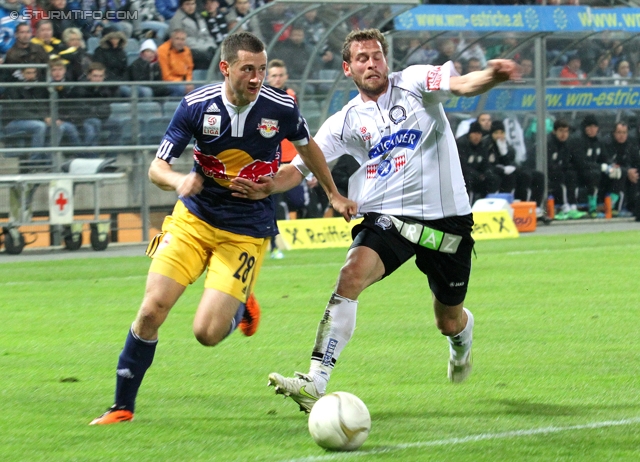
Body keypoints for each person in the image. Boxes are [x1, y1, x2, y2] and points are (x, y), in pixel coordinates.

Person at [234, 28, 520, 413]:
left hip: (446, 220)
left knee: (448, 320)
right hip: (389, 216)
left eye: (377, 56)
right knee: (350, 274)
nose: (372, 64)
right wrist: (266, 186)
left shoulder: (417, 81)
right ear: (348, 68)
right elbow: (299, 168)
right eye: (362, 59)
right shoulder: (345, 120)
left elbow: (463, 84)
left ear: (387, 60)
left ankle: (460, 340)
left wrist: (492, 75)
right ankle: (315, 380)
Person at [89, 31, 355, 425]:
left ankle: (239, 306)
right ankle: (122, 406)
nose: (257, 77)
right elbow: (156, 167)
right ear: (226, 68)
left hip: (245, 230)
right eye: (248, 69)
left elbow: (308, 147)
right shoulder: (197, 106)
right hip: (193, 220)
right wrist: (179, 181)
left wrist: (332, 192)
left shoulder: (280, 107)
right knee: (151, 310)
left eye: (262, 69)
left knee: (207, 333)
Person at [545, 119, 585, 220]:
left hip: (561, 172)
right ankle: (564, 207)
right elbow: (548, 165)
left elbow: (567, 163)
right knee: (561, 177)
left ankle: (572, 206)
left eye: (566, 131)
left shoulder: (567, 145)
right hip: (550, 175)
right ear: (554, 131)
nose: (564, 134)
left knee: (572, 175)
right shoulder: (549, 144)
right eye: (561, 131)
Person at [567, 114, 603, 217]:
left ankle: (612, 207)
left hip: (592, 171)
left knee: (617, 174)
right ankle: (592, 207)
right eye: (589, 127)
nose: (592, 130)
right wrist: (601, 167)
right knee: (594, 174)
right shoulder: (578, 140)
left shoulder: (598, 141)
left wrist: (611, 167)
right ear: (585, 127)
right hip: (578, 172)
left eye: (594, 127)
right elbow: (580, 162)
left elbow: (605, 157)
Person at [455, 121, 499, 203]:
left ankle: (488, 204)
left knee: (493, 179)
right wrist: (478, 175)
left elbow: (485, 163)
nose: (477, 136)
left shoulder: (482, 145)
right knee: (468, 180)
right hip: (462, 176)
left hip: (478, 174)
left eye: (479, 134)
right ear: (469, 134)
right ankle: (467, 205)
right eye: (474, 133)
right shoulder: (461, 144)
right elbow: (462, 166)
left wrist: (487, 172)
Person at [169, 0, 216, 70]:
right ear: (182, 6)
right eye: (187, 4)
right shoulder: (176, 20)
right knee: (206, 57)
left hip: (205, 47)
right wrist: (205, 47)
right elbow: (182, 40)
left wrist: (212, 46)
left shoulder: (199, 17)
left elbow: (207, 34)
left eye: (193, 4)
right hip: (188, 50)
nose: (191, 7)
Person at [157, 29, 195, 96]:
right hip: (167, 83)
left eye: (182, 39)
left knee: (204, 88)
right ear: (171, 39)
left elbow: (189, 69)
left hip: (183, 81)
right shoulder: (162, 50)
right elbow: (166, 76)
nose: (180, 42)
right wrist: (183, 83)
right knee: (181, 89)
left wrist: (188, 82)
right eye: (177, 39)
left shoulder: (187, 50)